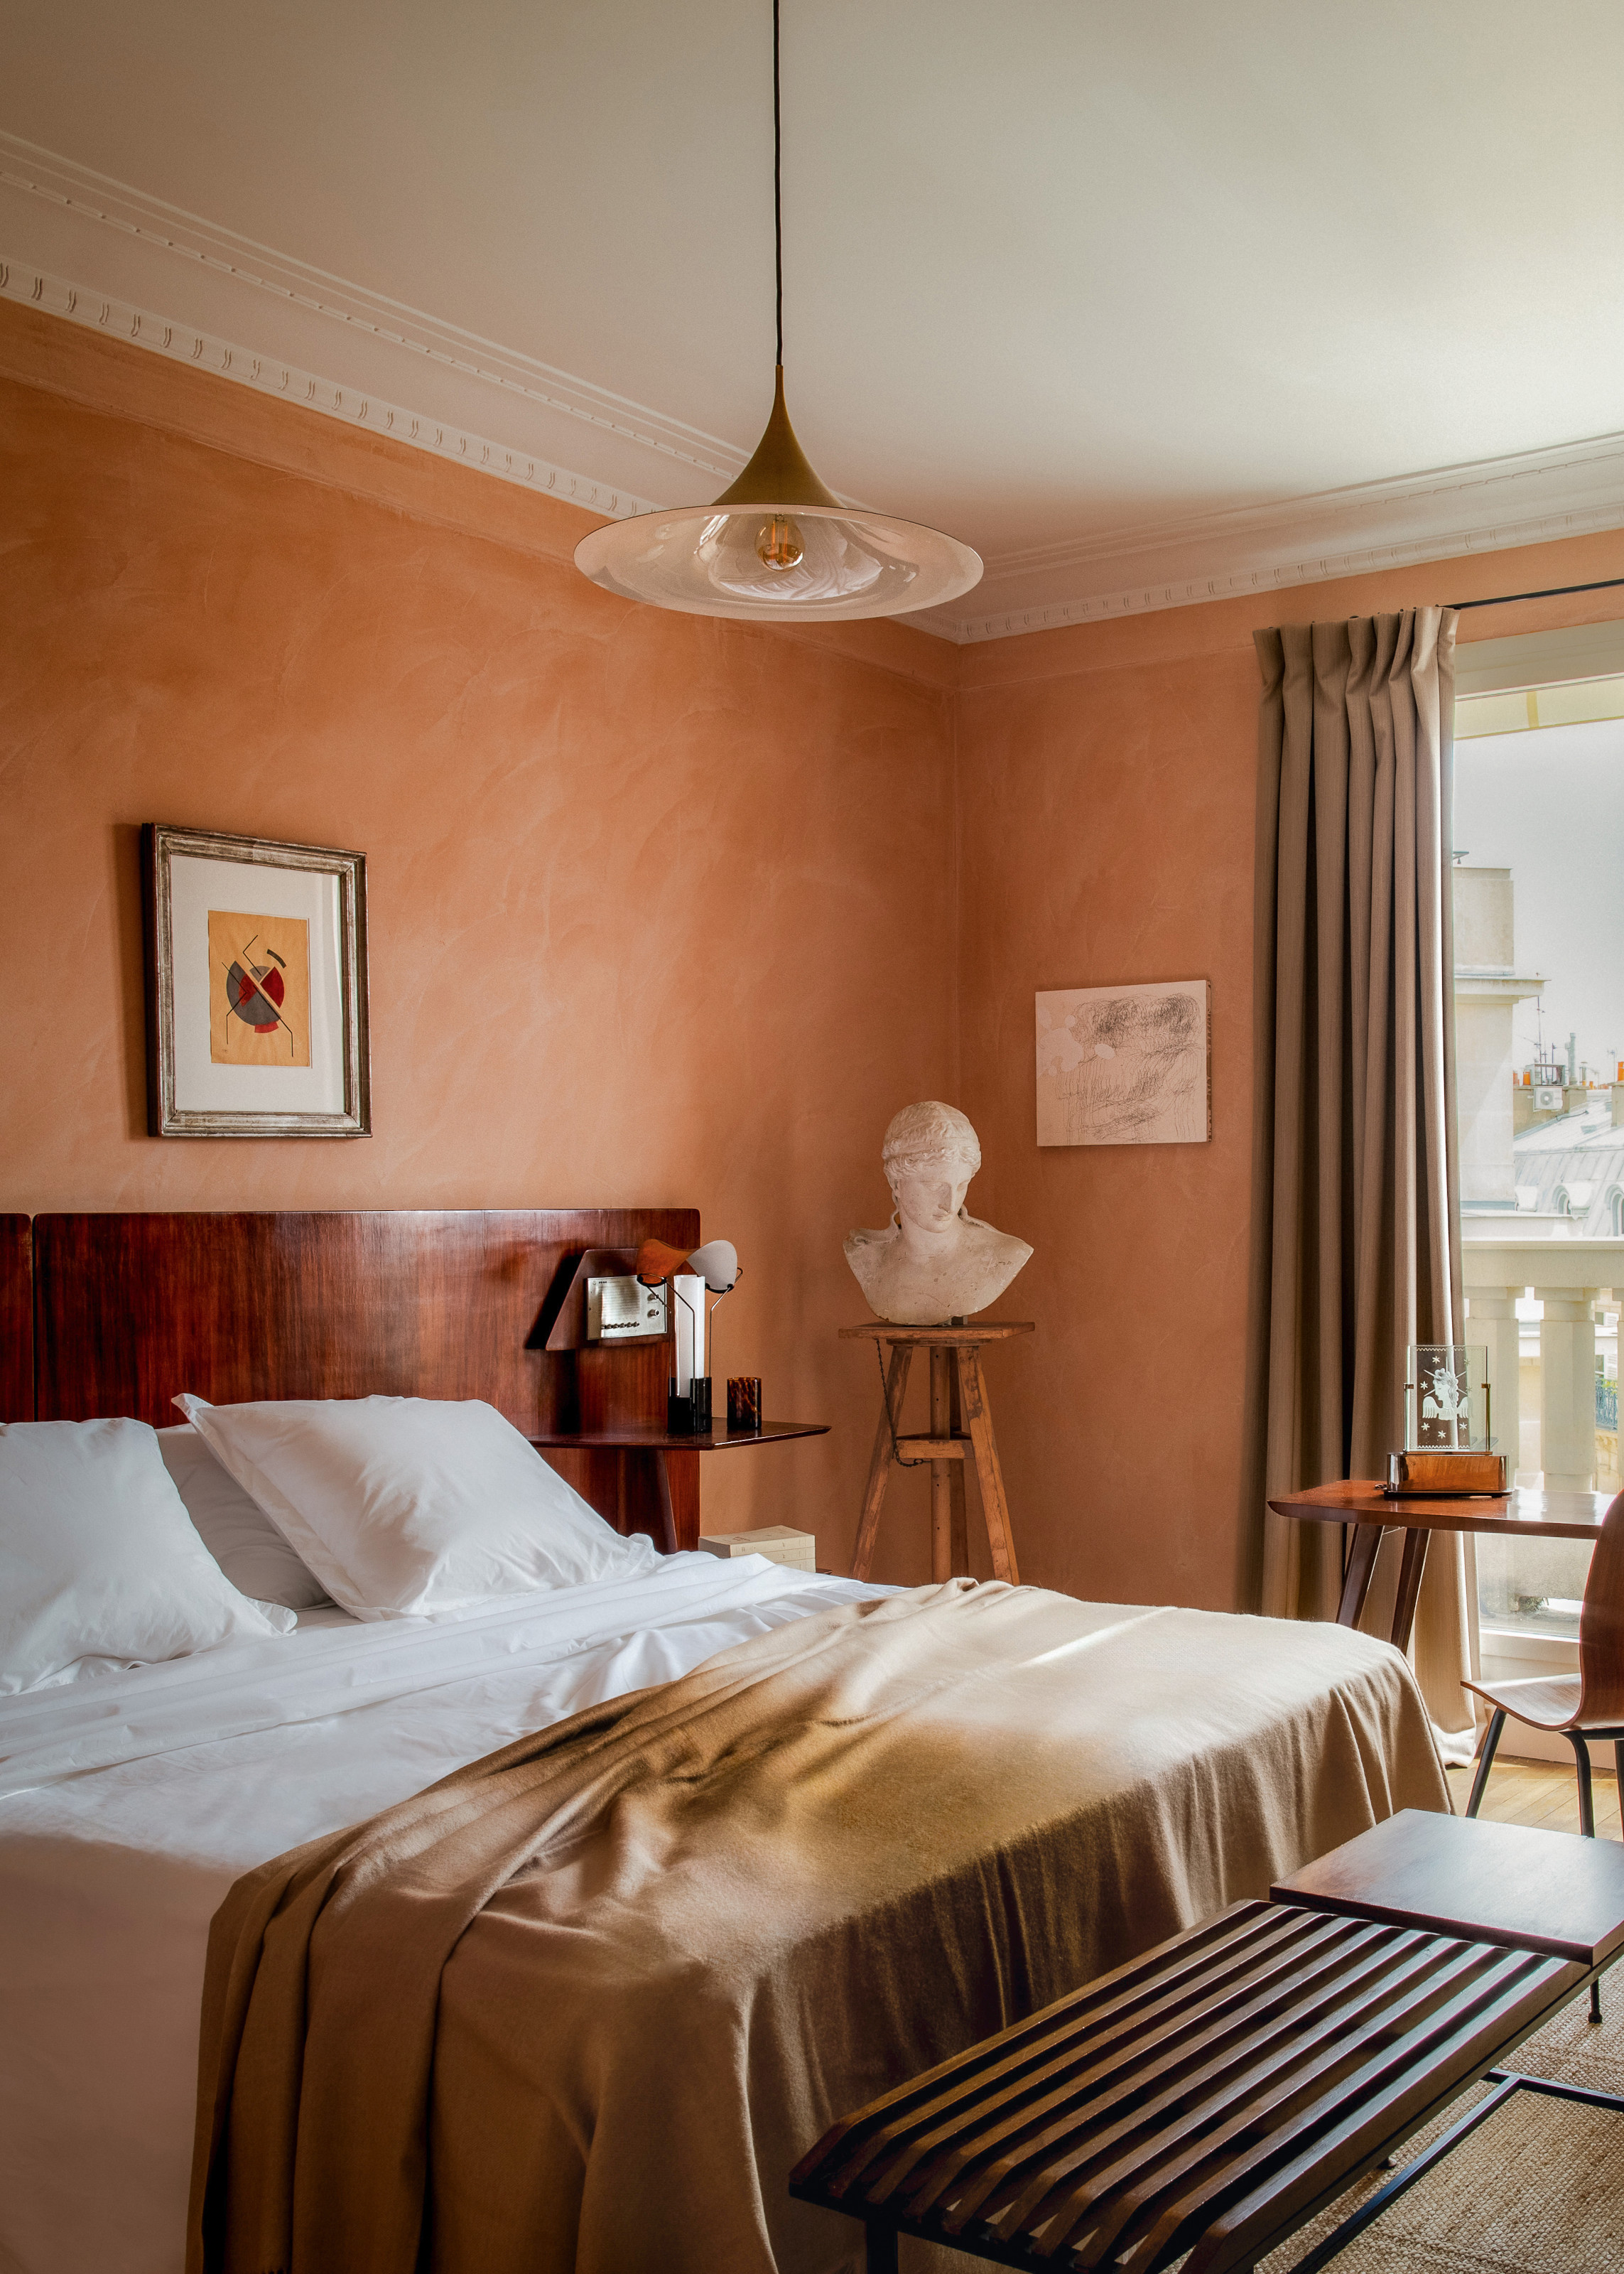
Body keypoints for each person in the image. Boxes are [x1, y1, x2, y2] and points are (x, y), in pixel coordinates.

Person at [845, 1101, 1032, 1325]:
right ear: (896, 1183)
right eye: (935, 1186)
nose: (950, 1204)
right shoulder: (869, 1258)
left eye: (961, 1185)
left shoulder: (1003, 1255)